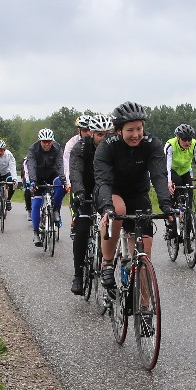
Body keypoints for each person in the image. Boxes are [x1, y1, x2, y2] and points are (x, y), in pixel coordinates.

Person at [95, 102, 174, 300]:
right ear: (118, 130)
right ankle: (107, 262)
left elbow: (159, 176)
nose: (136, 135)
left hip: (138, 194)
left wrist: (166, 205)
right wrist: (106, 207)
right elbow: (103, 181)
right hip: (111, 192)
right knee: (118, 209)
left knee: (144, 252)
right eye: (130, 130)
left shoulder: (151, 144)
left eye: (139, 128)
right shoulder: (107, 146)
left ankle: (144, 307)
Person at [67, 114, 112, 294]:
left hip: (104, 189)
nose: (104, 138)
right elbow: (75, 171)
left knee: (111, 225)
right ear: (91, 133)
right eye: (100, 134)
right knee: (82, 228)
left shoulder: (113, 147)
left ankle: (109, 265)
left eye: (107, 134)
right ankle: (78, 275)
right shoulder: (80, 147)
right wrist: (79, 192)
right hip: (84, 189)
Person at [162, 123, 196, 245]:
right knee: (175, 188)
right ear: (178, 138)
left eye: (189, 139)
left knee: (189, 199)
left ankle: (187, 233)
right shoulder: (170, 145)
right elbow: (166, 165)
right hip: (173, 171)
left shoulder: (195, 145)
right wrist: (169, 182)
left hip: (185, 171)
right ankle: (172, 217)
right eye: (184, 139)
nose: (187, 142)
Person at [24, 128, 67, 246]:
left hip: (52, 174)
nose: (47, 144)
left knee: (60, 186)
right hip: (37, 176)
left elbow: (60, 164)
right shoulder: (33, 149)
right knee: (36, 203)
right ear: (40, 141)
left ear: (52, 141)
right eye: (44, 142)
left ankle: (56, 209)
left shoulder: (57, 148)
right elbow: (31, 165)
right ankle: (36, 233)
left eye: (49, 141)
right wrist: (33, 181)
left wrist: (63, 179)